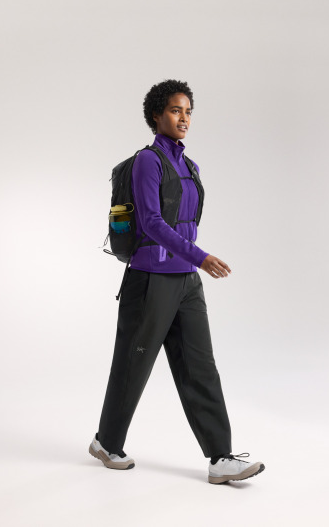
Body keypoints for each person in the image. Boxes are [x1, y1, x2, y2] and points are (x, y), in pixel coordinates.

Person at [89, 79, 265, 484]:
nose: (184, 118)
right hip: (150, 280)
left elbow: (186, 222)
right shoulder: (147, 161)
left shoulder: (191, 166)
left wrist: (192, 262)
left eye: (188, 111)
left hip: (185, 281)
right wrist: (200, 257)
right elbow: (151, 222)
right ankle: (106, 443)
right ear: (157, 115)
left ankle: (221, 458)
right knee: (133, 365)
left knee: (201, 367)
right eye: (175, 110)